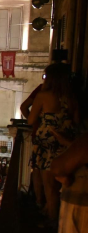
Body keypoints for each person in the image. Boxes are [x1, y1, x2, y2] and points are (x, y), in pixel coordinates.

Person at [28, 63, 79, 221]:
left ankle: (50, 222)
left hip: (46, 144)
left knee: (49, 187)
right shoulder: (72, 97)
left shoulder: (44, 96)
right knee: (60, 187)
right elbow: (76, 122)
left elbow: (31, 120)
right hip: (66, 145)